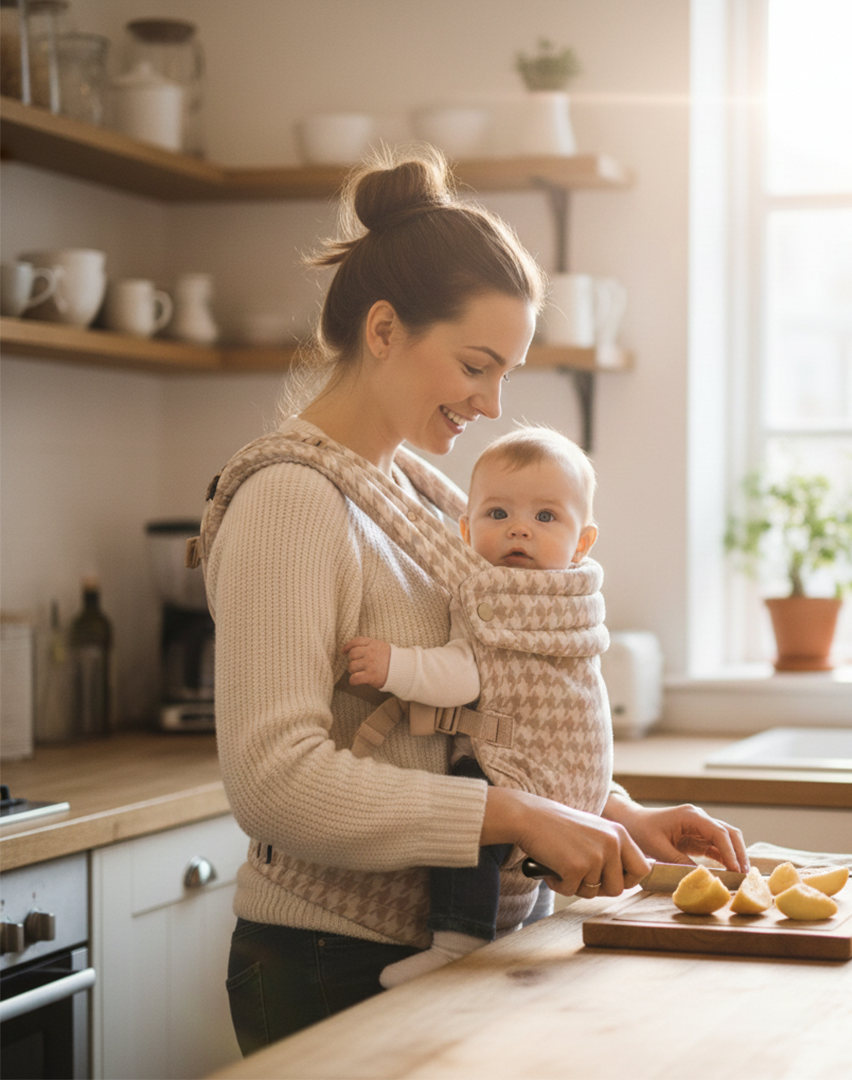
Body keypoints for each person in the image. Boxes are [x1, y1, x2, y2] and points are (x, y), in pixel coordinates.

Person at [200, 147, 748, 1055]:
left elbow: (476, 722)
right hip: (331, 957)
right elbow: (274, 781)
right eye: (476, 366)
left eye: (507, 374)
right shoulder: (290, 502)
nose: (493, 405)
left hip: (455, 949)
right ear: (384, 331)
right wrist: (522, 817)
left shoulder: (424, 496)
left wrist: (614, 812)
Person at [342, 424, 603, 987]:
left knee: (467, 810)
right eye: (498, 514)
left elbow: (462, 674)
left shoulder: (503, 601)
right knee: (520, 870)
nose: (519, 532)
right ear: (465, 529)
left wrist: (394, 666)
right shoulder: (570, 602)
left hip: (518, 771)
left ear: (583, 541)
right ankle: (530, 921)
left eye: (546, 517)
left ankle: (458, 937)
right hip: (572, 781)